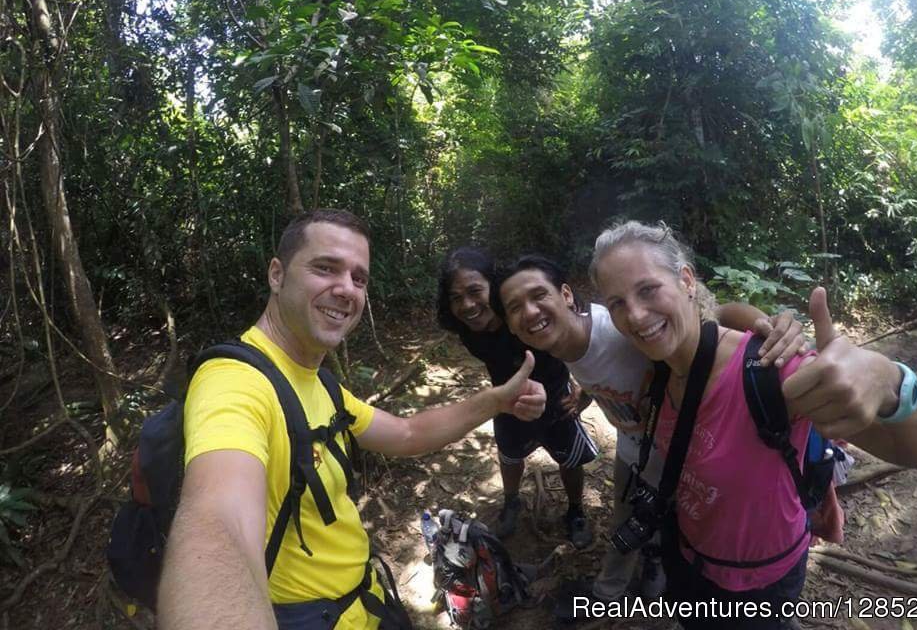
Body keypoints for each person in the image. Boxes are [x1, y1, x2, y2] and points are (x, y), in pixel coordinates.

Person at [157, 210, 548, 630]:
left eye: (359, 278)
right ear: (276, 274)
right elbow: (218, 521)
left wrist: (496, 402)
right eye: (325, 268)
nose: (346, 289)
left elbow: (406, 432)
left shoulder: (317, 382)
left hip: (365, 600)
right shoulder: (233, 382)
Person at [587, 220, 917, 629]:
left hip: (758, 583)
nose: (636, 315)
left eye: (648, 289)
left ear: (686, 280)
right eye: (618, 303)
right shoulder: (655, 367)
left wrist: (890, 382)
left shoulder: (770, 370)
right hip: (688, 556)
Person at [492, 254, 806, 608]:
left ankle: (627, 586)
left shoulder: (618, 330)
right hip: (636, 451)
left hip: (689, 454)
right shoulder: (555, 345)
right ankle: (636, 580)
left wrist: (768, 325)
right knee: (635, 518)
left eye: (538, 296)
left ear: (566, 294)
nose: (530, 311)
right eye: (515, 307)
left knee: (679, 530)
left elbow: (709, 319)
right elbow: (607, 377)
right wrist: (585, 398)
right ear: (510, 324)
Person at [436, 247, 598, 548]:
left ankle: (576, 510)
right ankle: (512, 502)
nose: (468, 305)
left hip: (557, 400)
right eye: (456, 298)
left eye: (475, 291)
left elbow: (578, 336)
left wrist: (586, 390)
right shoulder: (469, 329)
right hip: (508, 403)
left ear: (493, 287)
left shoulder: (525, 319)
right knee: (509, 456)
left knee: (570, 458)